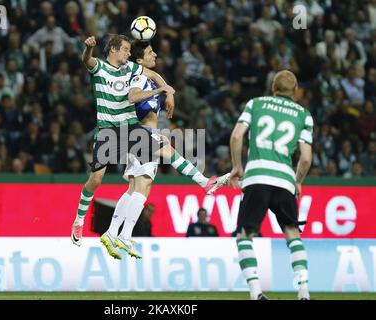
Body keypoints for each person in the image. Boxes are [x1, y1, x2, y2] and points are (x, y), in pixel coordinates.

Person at [99, 41, 230, 259]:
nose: (155, 54)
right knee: (165, 157)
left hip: (135, 134)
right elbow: (132, 97)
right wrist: (161, 90)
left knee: (135, 187)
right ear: (140, 61)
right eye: (150, 52)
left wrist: (164, 91)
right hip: (141, 134)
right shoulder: (139, 78)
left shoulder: (142, 75)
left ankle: (114, 233)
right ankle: (204, 182)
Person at [71, 34, 175, 247]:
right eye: (126, 49)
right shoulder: (99, 67)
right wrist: (89, 48)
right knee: (96, 179)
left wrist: (169, 92)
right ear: (113, 50)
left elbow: (153, 74)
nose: (129, 53)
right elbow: (86, 60)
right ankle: (79, 220)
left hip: (130, 130)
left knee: (165, 151)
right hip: (108, 132)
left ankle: (204, 181)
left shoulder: (130, 68)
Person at [225, 70, 313, 300]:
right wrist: (298, 181)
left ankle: (256, 293)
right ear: (295, 92)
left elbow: (236, 136)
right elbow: (305, 158)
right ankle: (303, 291)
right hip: (285, 179)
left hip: (257, 176)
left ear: (273, 87)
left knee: (244, 235)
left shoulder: (256, 104)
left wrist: (237, 167)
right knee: (293, 233)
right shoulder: (304, 115)